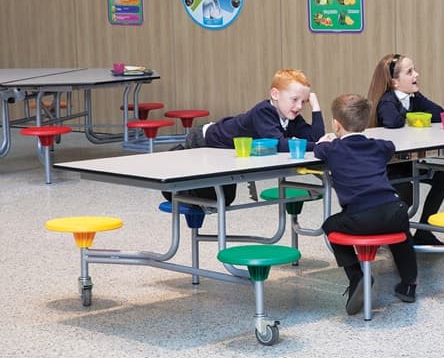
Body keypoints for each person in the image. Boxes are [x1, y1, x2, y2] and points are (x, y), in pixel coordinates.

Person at [315, 94, 418, 315]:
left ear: (336, 124)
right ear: (365, 122)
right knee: (402, 233)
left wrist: (325, 141)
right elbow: (390, 146)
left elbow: (318, 150)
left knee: (330, 225)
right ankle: (409, 284)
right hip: (394, 210)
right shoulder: (379, 147)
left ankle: (357, 276)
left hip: (361, 216)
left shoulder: (332, 149)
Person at [163, 68, 325, 205]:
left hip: (227, 150)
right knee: (214, 198)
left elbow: (316, 138)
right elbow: (278, 144)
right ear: (275, 94)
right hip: (204, 140)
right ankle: (172, 175)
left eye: (303, 102)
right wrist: (318, 146)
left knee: (225, 199)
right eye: (295, 99)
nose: (299, 106)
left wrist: (316, 107)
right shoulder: (264, 111)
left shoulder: (292, 117)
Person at [366, 53, 444, 246]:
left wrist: (415, 101)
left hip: (407, 164)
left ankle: (424, 230)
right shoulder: (388, 100)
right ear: (394, 82)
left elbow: (439, 113)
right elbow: (392, 122)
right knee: (405, 191)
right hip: (389, 168)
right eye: (410, 72)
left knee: (441, 177)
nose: (416, 75)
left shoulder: (413, 97)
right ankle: (392, 236)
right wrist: (409, 112)